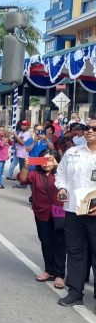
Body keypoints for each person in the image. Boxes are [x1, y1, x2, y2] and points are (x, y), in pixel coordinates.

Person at [55, 119, 96, 307]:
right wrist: (62, 188)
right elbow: (61, 174)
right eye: (87, 128)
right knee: (75, 252)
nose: (89, 131)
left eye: (94, 128)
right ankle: (75, 292)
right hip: (73, 210)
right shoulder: (73, 152)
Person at [18, 151, 66, 289]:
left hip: (60, 214)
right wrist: (26, 166)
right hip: (42, 213)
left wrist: (59, 167)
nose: (47, 163)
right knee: (46, 242)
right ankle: (49, 270)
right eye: (43, 160)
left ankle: (59, 275)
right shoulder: (35, 175)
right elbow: (22, 179)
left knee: (60, 244)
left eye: (50, 160)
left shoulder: (62, 175)